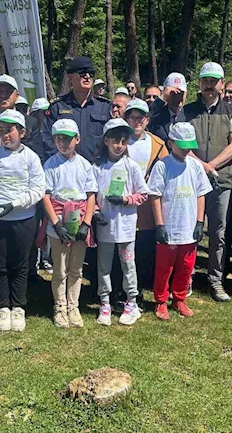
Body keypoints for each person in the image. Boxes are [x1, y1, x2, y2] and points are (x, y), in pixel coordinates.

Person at [180, 62, 232, 302]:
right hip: (192, 181)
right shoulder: (187, 110)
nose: (209, 85)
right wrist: (202, 166)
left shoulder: (231, 110)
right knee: (190, 232)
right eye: (205, 80)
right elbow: (182, 144)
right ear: (199, 84)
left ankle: (215, 282)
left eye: (213, 81)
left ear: (222, 84)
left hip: (221, 182)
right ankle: (187, 279)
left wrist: (211, 166)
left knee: (218, 234)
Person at [0, 110, 45, 332]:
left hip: (23, 218)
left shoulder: (31, 158)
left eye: (9, 130)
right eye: (1, 131)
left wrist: (14, 204)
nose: (5, 135)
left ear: (22, 132)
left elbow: (38, 189)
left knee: (20, 263)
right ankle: (3, 307)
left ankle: (18, 306)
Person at [149, 122, 212, 320]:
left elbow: (201, 193)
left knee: (186, 266)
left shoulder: (195, 166)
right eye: (182, 146)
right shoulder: (162, 165)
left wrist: (199, 222)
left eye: (189, 146)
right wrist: (160, 224)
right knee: (164, 266)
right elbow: (155, 196)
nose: (186, 150)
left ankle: (179, 298)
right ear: (170, 143)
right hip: (169, 225)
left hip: (188, 226)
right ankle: (160, 300)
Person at [93, 118, 150, 326]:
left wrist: (126, 200)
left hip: (126, 227)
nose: (119, 145)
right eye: (115, 140)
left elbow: (143, 194)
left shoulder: (131, 166)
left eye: (123, 142)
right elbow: (91, 195)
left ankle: (131, 302)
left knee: (128, 264)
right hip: (105, 227)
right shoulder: (97, 167)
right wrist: (96, 212)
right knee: (104, 266)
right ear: (106, 140)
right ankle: (105, 302)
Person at [42, 119, 97, 328]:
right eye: (59, 139)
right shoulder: (50, 164)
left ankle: (73, 306)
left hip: (80, 219)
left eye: (67, 138)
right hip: (59, 220)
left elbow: (91, 195)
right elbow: (46, 196)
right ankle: (60, 306)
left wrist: (87, 223)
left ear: (77, 139)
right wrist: (56, 224)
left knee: (76, 269)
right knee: (60, 268)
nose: (63, 143)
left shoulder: (84, 165)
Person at [124, 99, 168, 299]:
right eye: (132, 117)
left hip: (148, 208)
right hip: (124, 205)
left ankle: (143, 283)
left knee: (145, 247)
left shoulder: (158, 144)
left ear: (147, 119)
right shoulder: (118, 140)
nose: (137, 121)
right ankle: (127, 286)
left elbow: (166, 171)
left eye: (140, 117)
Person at [44, 57, 112, 162]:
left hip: (97, 168)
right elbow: (47, 138)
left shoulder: (105, 107)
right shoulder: (58, 107)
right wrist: (59, 163)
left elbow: (112, 138)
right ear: (70, 77)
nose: (87, 77)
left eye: (91, 73)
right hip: (65, 167)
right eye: (82, 73)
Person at [148, 72, 188, 141]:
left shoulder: (189, 114)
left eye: (181, 93)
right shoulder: (157, 116)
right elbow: (146, 117)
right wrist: (162, 98)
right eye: (173, 93)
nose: (177, 97)